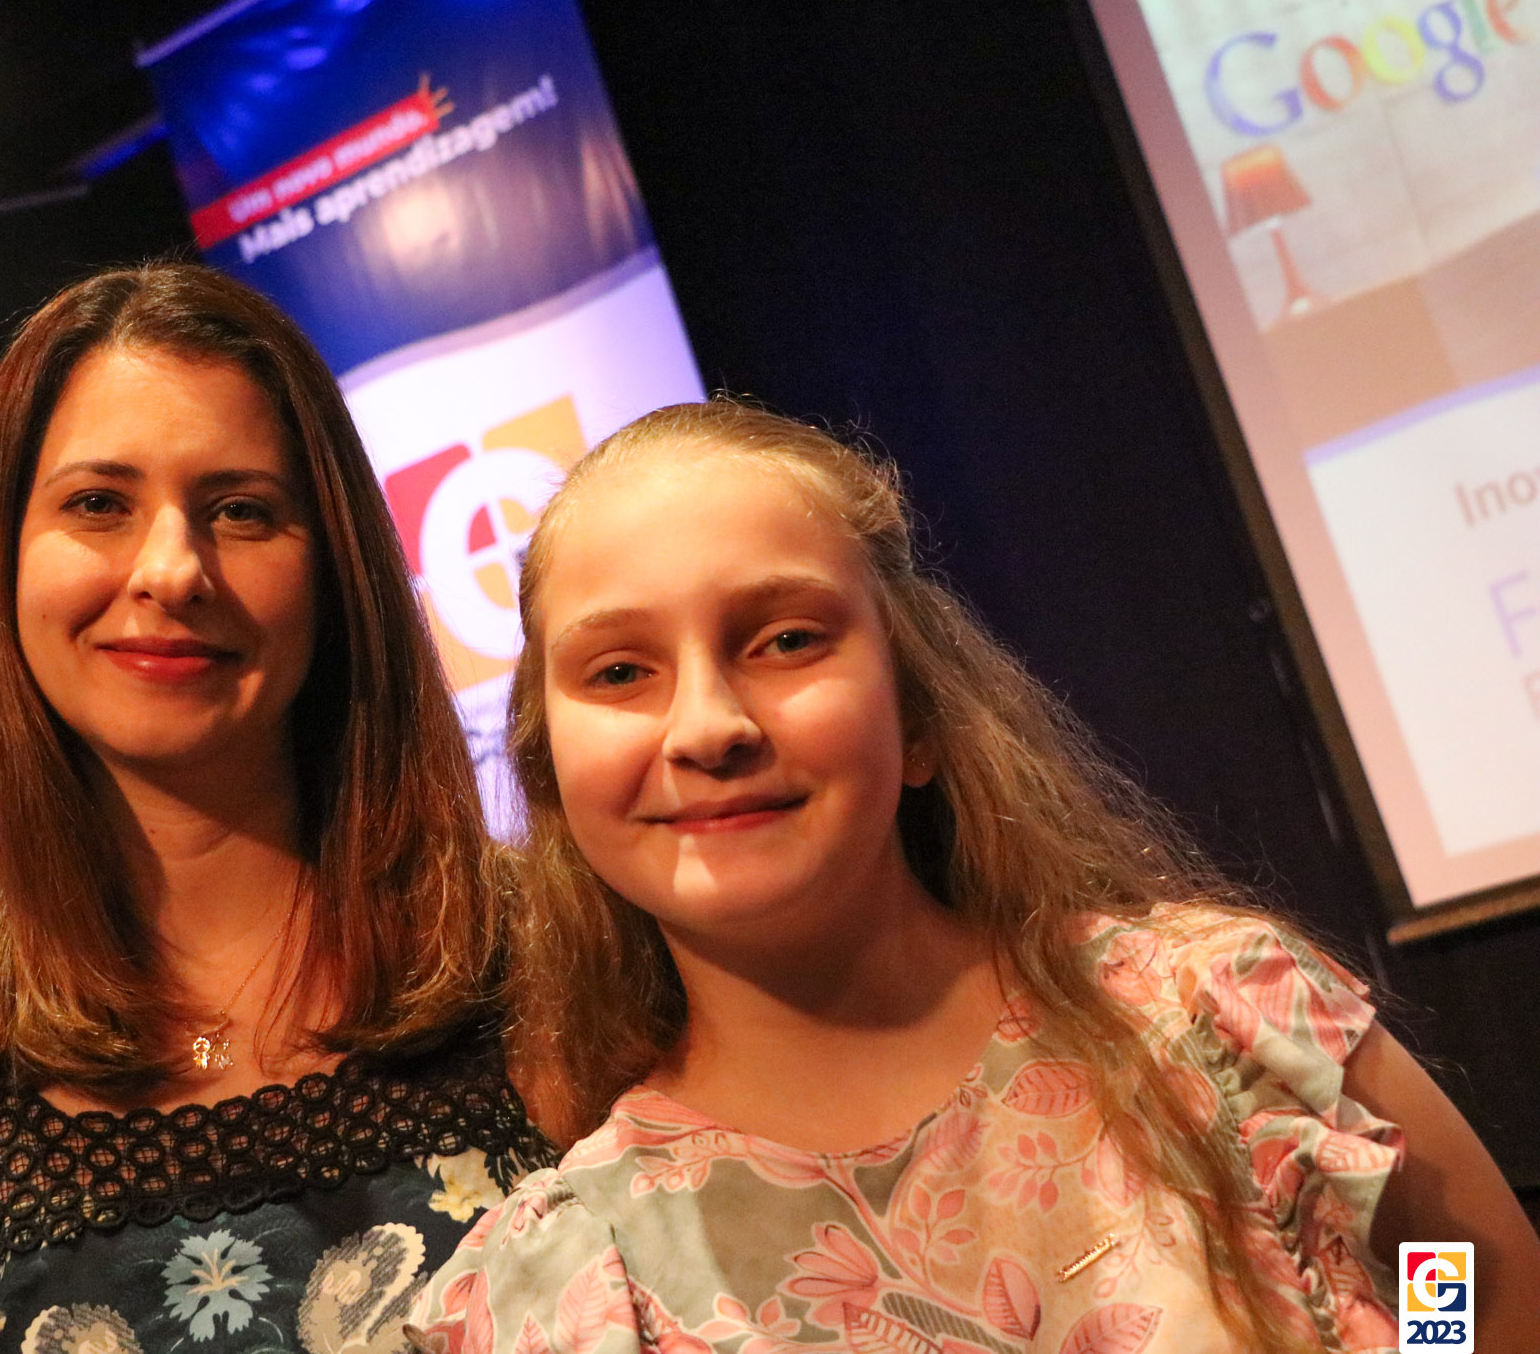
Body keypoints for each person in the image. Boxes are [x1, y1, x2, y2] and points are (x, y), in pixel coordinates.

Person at [412, 399, 1540, 1354]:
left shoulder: (1218, 1019)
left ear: (917, 714)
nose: (708, 725)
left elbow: (1449, 1270)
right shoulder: (567, 1293)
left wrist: (1433, 1345)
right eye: (620, 671)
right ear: (549, 774)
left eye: (786, 640)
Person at [0, 262, 551, 1354]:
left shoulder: (558, 968)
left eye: (240, 510)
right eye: (98, 504)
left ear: (335, 567)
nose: (171, 569)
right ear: (4, 559)